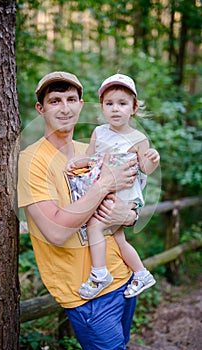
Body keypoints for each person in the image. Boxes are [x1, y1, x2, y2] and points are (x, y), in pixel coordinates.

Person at [17, 71, 139, 350]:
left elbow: (127, 203)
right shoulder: (31, 160)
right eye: (55, 100)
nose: (65, 107)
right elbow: (56, 232)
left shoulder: (92, 152)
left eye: (71, 99)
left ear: (81, 105)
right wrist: (105, 183)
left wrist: (129, 217)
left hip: (124, 277)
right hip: (87, 294)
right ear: (41, 108)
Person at [66, 73, 160, 300]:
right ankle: (141, 272)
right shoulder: (99, 132)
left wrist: (152, 158)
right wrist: (76, 162)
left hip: (124, 193)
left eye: (122, 103)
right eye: (109, 104)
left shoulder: (137, 138)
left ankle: (100, 274)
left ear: (134, 108)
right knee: (118, 238)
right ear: (102, 107)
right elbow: (90, 156)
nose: (115, 109)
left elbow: (145, 168)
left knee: (95, 226)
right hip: (105, 188)